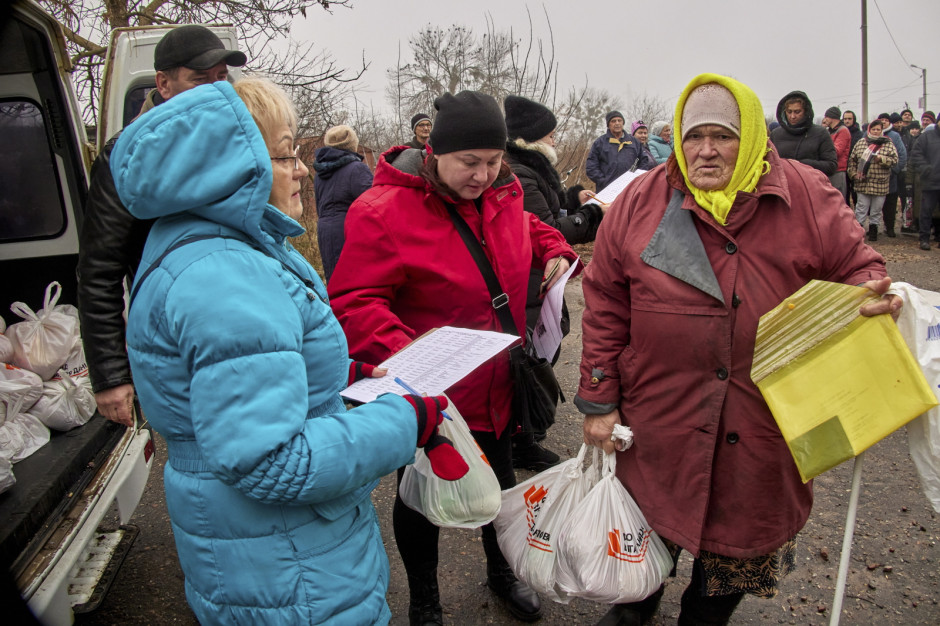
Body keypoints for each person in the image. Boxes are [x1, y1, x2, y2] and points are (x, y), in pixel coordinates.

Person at [110, 77, 468, 624]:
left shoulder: (202, 246)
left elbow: (238, 375)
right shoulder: (228, 277)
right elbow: (272, 462)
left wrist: (338, 375)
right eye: (283, 154)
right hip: (291, 570)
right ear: (233, 168)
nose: (302, 168)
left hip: (257, 553)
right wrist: (404, 420)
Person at [576, 74, 898, 626]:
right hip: (659, 420)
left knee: (727, 569)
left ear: (750, 137)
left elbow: (860, 266)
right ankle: (632, 610)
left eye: (722, 136)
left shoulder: (807, 194)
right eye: (692, 134)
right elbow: (604, 297)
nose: (705, 149)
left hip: (762, 421)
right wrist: (600, 399)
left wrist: (872, 297)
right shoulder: (642, 198)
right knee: (638, 562)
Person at [328, 90, 578, 625]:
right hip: (431, 396)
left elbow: (526, 227)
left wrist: (554, 246)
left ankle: (503, 571)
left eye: (493, 161)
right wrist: (407, 357)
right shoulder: (380, 210)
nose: (484, 175)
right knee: (420, 499)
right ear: (434, 152)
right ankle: (425, 600)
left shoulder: (505, 192)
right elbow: (354, 299)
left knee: (503, 486)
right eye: (470, 162)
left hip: (498, 383)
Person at [77, 25, 246, 428]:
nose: (215, 91)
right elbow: (98, 271)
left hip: (239, 326)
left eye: (222, 79)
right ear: (164, 84)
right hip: (174, 340)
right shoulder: (125, 157)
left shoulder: (235, 146)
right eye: (200, 80)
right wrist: (110, 376)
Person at [502, 94, 604, 471]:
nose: (556, 140)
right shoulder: (517, 170)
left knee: (539, 351)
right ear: (532, 138)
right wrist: (591, 216)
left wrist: (575, 196)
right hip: (528, 276)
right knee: (528, 358)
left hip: (538, 277)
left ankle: (526, 427)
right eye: (551, 134)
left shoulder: (529, 167)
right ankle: (518, 437)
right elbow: (544, 225)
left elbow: (546, 204)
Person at [313, 124, 373, 281]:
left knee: (334, 278)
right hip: (349, 230)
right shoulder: (357, 169)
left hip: (325, 231)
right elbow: (373, 205)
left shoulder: (320, 173)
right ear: (352, 144)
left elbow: (319, 206)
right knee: (356, 280)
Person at [847, 118, 899, 241]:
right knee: (861, 207)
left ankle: (874, 229)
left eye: (878, 129)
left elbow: (895, 160)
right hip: (863, 182)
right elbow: (852, 160)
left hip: (880, 182)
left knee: (876, 209)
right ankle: (858, 229)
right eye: (874, 129)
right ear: (870, 129)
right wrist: (853, 174)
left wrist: (882, 159)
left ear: (882, 131)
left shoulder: (888, 143)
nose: (876, 132)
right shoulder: (861, 143)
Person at [769, 90, 837, 175]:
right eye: (789, 112)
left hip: (811, 185)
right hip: (783, 185)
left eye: (797, 112)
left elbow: (831, 166)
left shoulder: (820, 133)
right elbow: (769, 164)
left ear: (806, 111)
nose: (792, 116)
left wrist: (802, 164)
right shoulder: (776, 134)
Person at [585, 110, 656, 190]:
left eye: (619, 120)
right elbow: (591, 167)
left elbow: (644, 161)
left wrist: (637, 178)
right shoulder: (599, 143)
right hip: (607, 189)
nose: (617, 123)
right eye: (613, 121)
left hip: (630, 188)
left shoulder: (634, 142)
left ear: (623, 123)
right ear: (608, 124)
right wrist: (603, 181)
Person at [910, 115, 940, 250]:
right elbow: (916, 154)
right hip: (930, 181)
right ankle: (924, 239)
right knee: (926, 211)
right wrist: (926, 168)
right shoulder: (926, 137)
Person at [877, 113, 908, 238]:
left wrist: (894, 170)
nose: (884, 122)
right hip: (873, 177)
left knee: (890, 203)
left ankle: (890, 227)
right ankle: (873, 228)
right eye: (881, 120)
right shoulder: (869, 135)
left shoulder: (894, 136)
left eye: (886, 120)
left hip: (890, 176)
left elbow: (902, 155)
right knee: (872, 203)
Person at [822, 106, 852, 202]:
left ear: (832, 117)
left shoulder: (843, 130)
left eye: (826, 116)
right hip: (828, 169)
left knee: (838, 200)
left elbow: (836, 151)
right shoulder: (828, 131)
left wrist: (822, 148)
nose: (825, 119)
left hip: (838, 171)